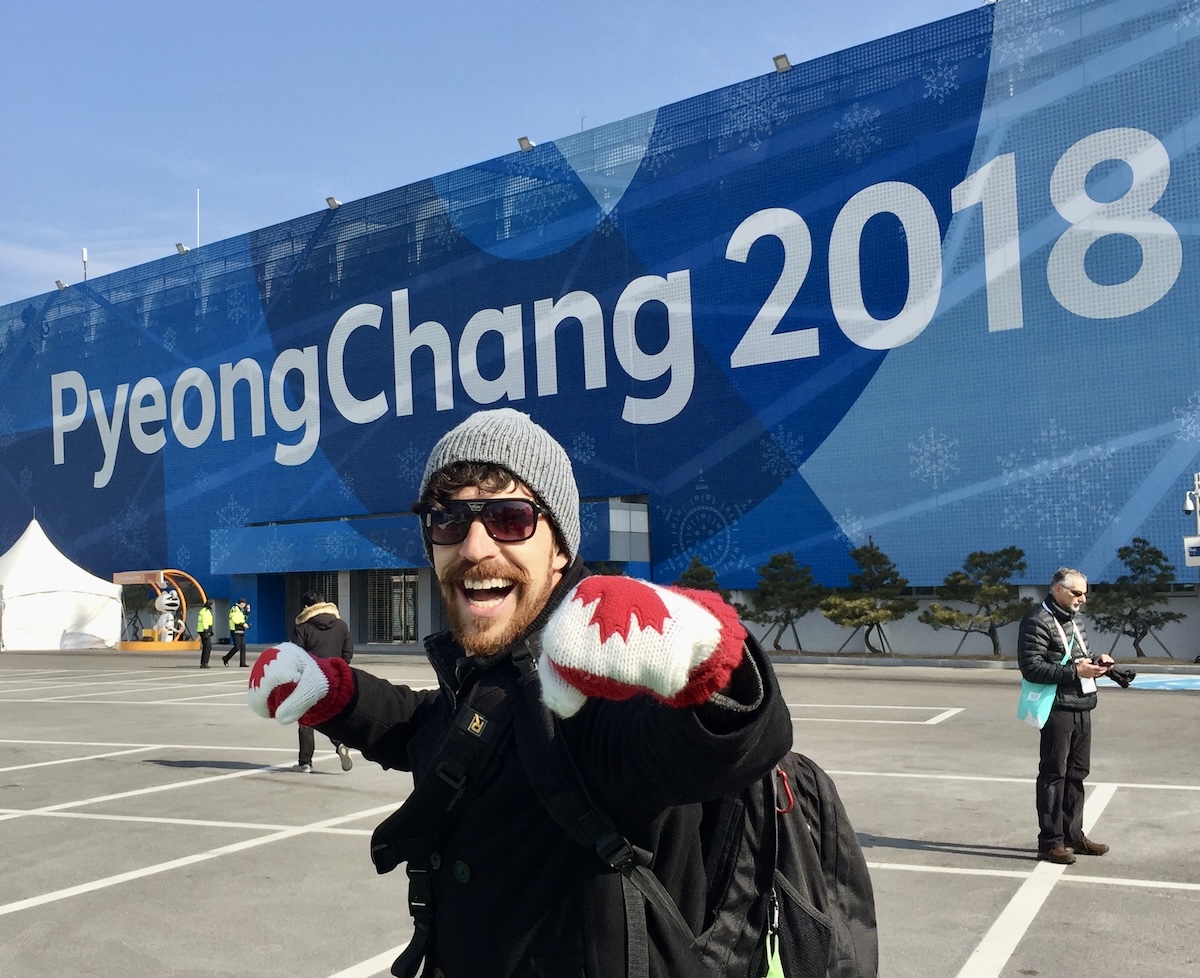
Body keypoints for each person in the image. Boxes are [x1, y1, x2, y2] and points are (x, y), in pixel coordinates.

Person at [244, 408, 793, 978]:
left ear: (560, 548)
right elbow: (441, 730)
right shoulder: (495, 669)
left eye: (510, 518)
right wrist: (336, 693)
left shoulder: (602, 677)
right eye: (448, 519)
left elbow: (728, 742)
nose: (474, 546)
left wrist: (706, 654)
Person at [1017, 567, 1115, 865]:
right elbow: (1031, 667)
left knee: (1077, 773)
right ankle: (1050, 842)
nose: (1082, 599)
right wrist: (1076, 671)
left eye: (1085, 593)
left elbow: (1076, 657)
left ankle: (1073, 835)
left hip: (1082, 703)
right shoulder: (1036, 620)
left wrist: (1097, 662)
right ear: (1057, 589)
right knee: (1053, 774)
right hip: (1057, 706)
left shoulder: (1074, 619)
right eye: (1077, 593)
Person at [290, 590, 355, 773]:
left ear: (305, 607)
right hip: (334, 677)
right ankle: (339, 742)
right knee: (330, 714)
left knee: (306, 719)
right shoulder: (341, 625)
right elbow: (348, 651)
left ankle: (305, 762)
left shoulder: (303, 627)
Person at [223, 598, 249, 667]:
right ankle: (226, 658)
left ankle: (242, 663)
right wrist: (242, 624)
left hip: (241, 630)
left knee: (243, 647)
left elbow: (244, 618)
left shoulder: (241, 610)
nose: (245, 605)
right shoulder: (234, 609)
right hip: (235, 630)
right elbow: (235, 619)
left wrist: (247, 611)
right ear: (241, 603)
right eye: (244, 604)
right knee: (237, 646)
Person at [197, 599, 214, 668]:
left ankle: (203, 662)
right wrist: (207, 631)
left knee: (205, 647)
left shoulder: (203, 610)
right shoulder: (206, 611)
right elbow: (205, 621)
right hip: (204, 630)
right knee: (208, 647)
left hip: (202, 630)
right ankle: (205, 663)